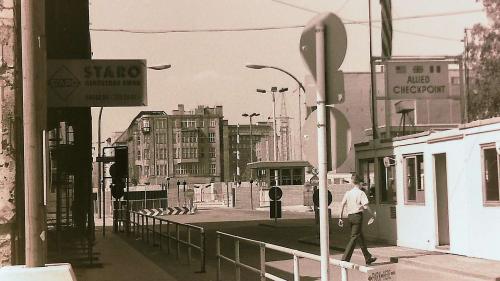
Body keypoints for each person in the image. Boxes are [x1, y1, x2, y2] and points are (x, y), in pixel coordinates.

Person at [338, 174, 377, 265]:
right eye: (362, 183)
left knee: (360, 236)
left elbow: (342, 204)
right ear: (359, 183)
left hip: (350, 217)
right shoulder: (361, 193)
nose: (362, 185)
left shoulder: (348, 193)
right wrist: (373, 214)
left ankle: (368, 257)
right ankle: (345, 259)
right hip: (357, 217)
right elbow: (366, 206)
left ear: (352, 182)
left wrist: (340, 218)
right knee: (354, 237)